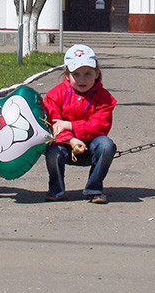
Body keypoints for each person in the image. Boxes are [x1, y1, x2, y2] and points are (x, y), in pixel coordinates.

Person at [43, 43, 117, 203]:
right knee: (52, 152)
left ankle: (94, 189)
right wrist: (71, 140)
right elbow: (53, 124)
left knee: (107, 145)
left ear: (97, 73)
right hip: (63, 145)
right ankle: (56, 190)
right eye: (76, 74)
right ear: (67, 74)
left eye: (88, 73)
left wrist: (70, 125)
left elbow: (100, 125)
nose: (82, 79)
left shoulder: (104, 98)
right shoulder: (54, 96)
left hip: (91, 145)